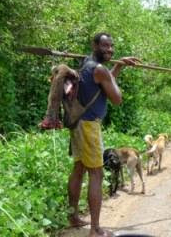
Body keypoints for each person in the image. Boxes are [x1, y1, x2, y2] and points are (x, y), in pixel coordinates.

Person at [68, 32, 140, 237]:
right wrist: (111, 74)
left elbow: (101, 85)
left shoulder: (86, 63)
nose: (109, 50)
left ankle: (73, 217)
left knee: (79, 168)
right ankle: (95, 229)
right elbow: (116, 98)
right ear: (94, 45)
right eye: (105, 46)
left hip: (77, 122)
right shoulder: (99, 70)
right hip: (89, 126)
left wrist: (117, 67)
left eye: (111, 46)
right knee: (96, 174)